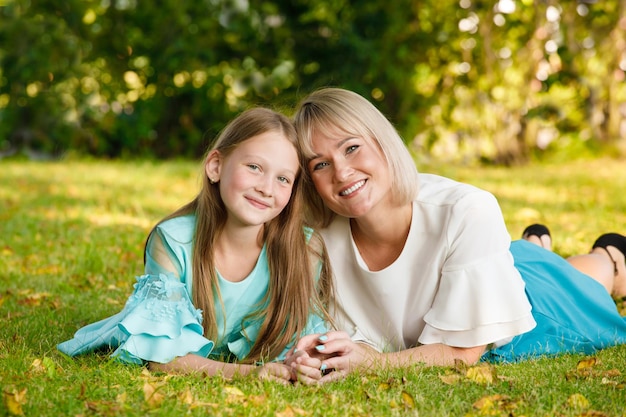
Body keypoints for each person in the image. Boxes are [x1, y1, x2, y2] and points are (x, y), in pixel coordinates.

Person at [286, 87, 626, 384]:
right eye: (320, 164)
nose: (342, 172)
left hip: (534, 312)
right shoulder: (317, 237)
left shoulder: (466, 209)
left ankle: (609, 254)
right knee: (524, 256)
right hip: (477, 267)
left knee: (589, 280)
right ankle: (534, 246)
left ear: (382, 142)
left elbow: (464, 351)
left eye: (351, 148)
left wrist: (373, 365)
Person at [58, 107, 333, 384]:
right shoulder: (173, 241)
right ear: (216, 166)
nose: (266, 188)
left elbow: (302, 339)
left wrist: (302, 361)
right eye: (254, 167)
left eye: (283, 179)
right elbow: (163, 357)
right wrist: (249, 374)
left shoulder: (304, 247)